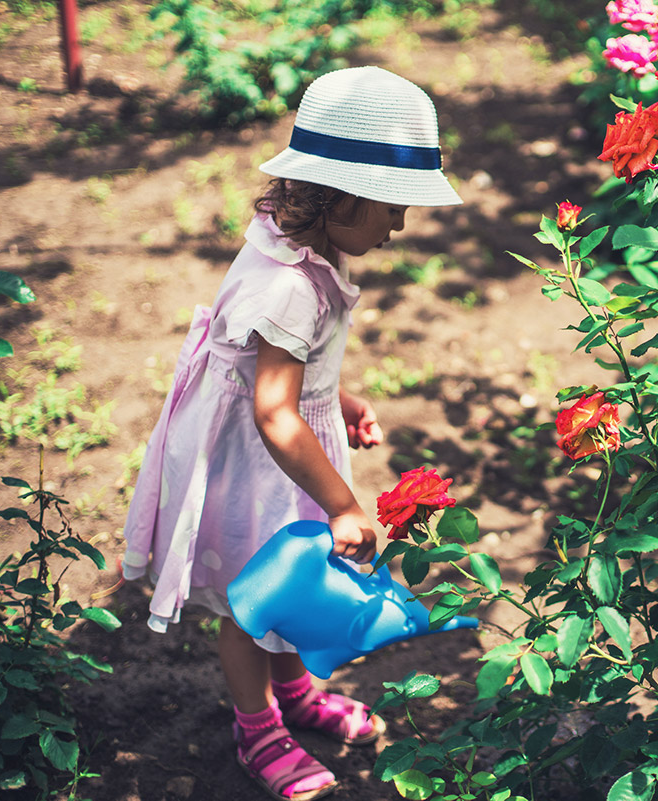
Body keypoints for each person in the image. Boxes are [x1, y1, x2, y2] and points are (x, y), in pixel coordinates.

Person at [120, 66, 462, 801]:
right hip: (258, 460)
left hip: (280, 449)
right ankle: (257, 726)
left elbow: (282, 370)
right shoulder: (287, 284)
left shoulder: (308, 246)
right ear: (342, 197)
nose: (399, 225)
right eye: (392, 209)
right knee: (256, 601)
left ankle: (297, 692)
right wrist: (342, 503)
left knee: (291, 578)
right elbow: (273, 409)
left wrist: (337, 397)